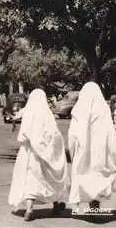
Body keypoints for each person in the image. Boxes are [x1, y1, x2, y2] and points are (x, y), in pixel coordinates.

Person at [8, 89, 70, 221]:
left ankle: (30, 209)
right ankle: (56, 204)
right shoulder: (47, 114)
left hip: (29, 153)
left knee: (31, 180)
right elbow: (54, 135)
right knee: (48, 178)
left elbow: (23, 134)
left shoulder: (28, 113)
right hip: (45, 153)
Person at [68, 82, 116, 213]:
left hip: (82, 148)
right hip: (99, 149)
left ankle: (76, 206)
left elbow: (73, 132)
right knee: (96, 174)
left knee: (79, 173)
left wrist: (72, 150)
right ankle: (94, 205)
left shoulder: (79, 109)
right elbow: (110, 131)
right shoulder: (103, 109)